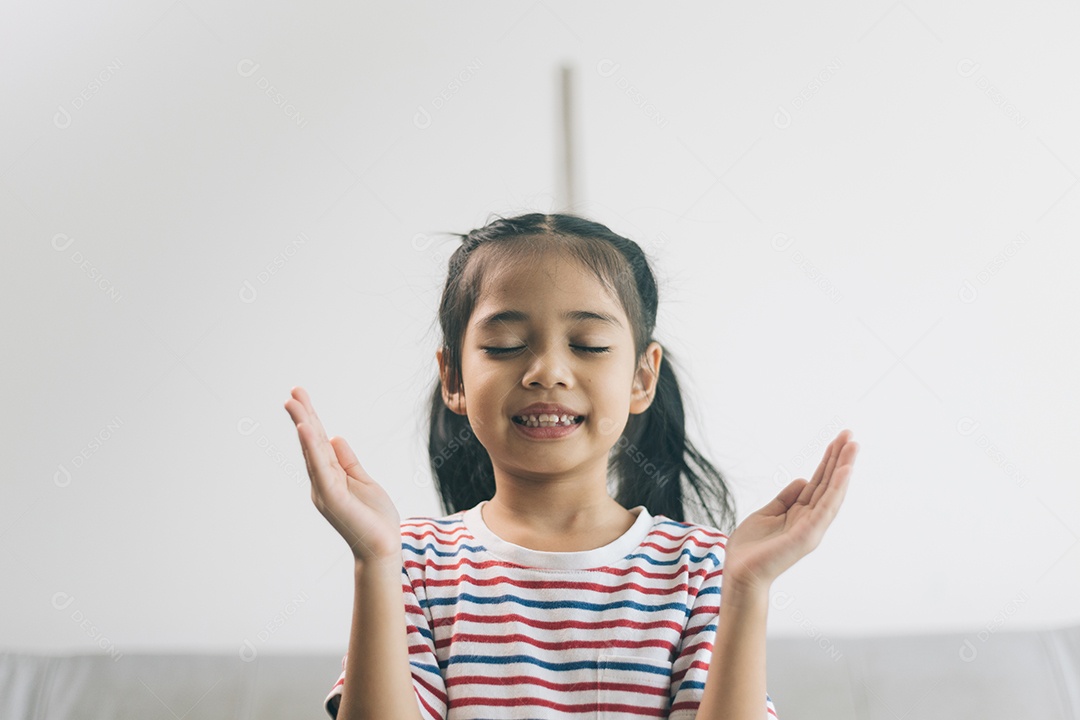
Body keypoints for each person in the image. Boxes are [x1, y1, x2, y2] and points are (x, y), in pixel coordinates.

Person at [284, 212, 860, 720]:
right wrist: (375, 560)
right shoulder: (412, 563)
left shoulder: (704, 569)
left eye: (588, 344)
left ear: (642, 377)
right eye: (505, 345)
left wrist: (747, 587)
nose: (548, 372)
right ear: (453, 377)